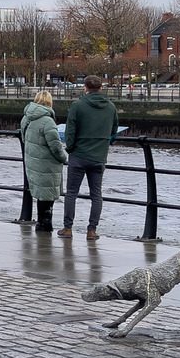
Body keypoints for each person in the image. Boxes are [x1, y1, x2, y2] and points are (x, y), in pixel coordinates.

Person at [59, 75, 119, 240]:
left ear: (85, 87)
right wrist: (106, 144)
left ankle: (68, 228)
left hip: (78, 155)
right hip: (99, 156)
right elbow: (114, 131)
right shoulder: (111, 107)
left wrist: (70, 148)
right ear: (101, 88)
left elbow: (70, 132)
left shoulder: (77, 106)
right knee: (96, 194)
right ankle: (92, 230)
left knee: (71, 193)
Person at [19, 90, 67, 233]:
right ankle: (45, 224)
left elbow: (24, 138)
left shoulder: (26, 118)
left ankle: (41, 223)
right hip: (47, 164)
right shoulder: (48, 121)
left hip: (32, 161)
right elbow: (55, 145)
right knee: (47, 196)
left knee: (41, 194)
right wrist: (64, 158)